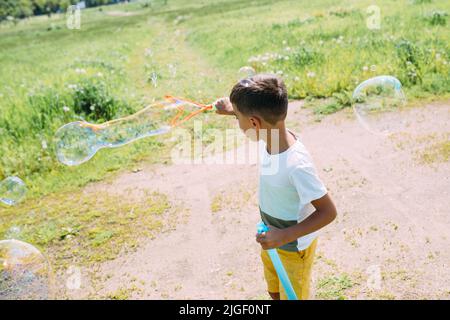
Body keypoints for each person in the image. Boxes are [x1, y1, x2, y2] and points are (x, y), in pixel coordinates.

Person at [215, 74, 337, 300]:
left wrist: (284, 235)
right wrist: (232, 109)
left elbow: (328, 212)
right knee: (274, 291)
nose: (238, 123)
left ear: (254, 123)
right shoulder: (272, 134)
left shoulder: (296, 165)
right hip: (271, 238)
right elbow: (258, 119)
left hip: (292, 248)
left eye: (238, 119)